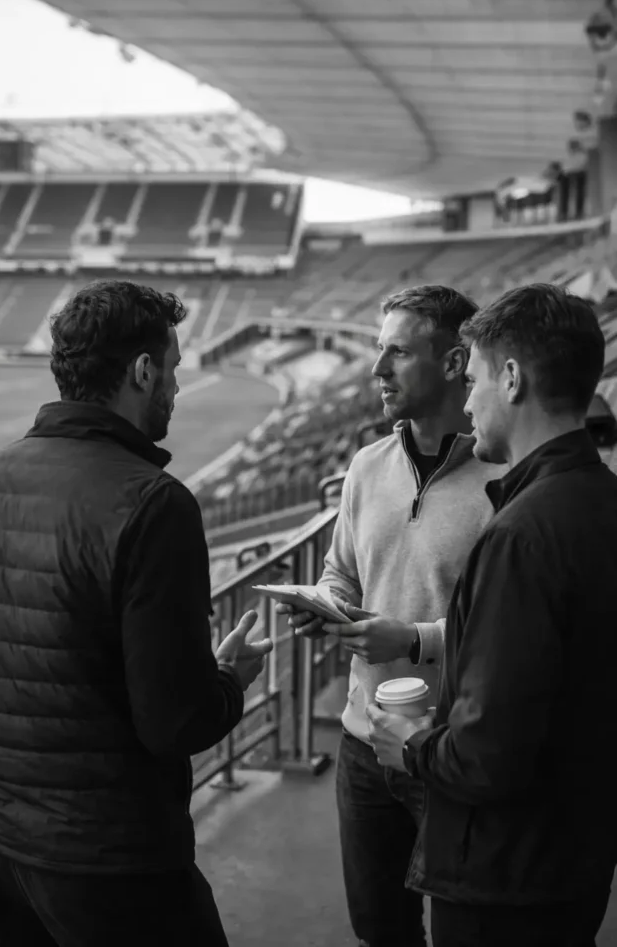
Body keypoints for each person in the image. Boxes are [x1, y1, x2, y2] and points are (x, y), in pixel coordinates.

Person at [0, 279, 272, 947]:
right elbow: (173, 720)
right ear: (143, 372)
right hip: (114, 857)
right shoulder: (154, 504)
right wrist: (230, 678)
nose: (173, 387)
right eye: (171, 369)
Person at [367, 283, 617, 947]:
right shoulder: (600, 499)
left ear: (509, 379)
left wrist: (409, 743)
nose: (468, 401)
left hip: (504, 877)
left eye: (473, 378)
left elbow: (486, 756)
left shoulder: (522, 533)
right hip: (574, 857)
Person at [277, 285, 506, 947]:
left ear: (455, 361)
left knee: (467, 930)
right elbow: (340, 569)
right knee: (380, 930)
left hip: (452, 751)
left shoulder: (506, 479)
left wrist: (409, 640)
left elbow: (509, 632)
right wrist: (325, 606)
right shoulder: (364, 465)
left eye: (397, 353)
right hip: (362, 748)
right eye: (378, 351)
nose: (376, 369)